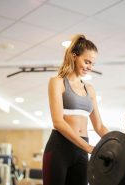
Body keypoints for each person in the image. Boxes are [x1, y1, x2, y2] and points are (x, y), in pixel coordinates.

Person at [43, 34, 109, 185]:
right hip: (59, 148)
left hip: (81, 152)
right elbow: (58, 122)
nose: (89, 67)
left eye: (92, 64)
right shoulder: (57, 82)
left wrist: (120, 142)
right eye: (86, 62)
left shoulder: (90, 89)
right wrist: (87, 147)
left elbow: (99, 126)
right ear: (74, 56)